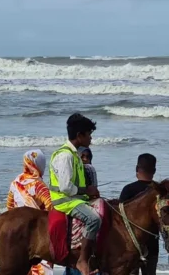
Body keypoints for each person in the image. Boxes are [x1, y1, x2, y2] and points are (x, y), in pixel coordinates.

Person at [49, 113, 102, 275]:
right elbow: (66, 187)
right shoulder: (65, 156)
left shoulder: (75, 155)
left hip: (76, 198)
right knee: (94, 219)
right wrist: (88, 191)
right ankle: (82, 260)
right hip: (65, 201)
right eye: (89, 134)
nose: (91, 138)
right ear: (79, 135)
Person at [6, 149, 53, 275]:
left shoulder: (15, 182)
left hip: (17, 232)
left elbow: (9, 207)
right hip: (37, 235)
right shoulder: (39, 185)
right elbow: (50, 208)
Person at [119, 154, 159, 275]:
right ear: (154, 170)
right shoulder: (158, 190)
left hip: (131, 245)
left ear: (137, 168)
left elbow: (120, 219)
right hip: (152, 243)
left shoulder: (128, 190)